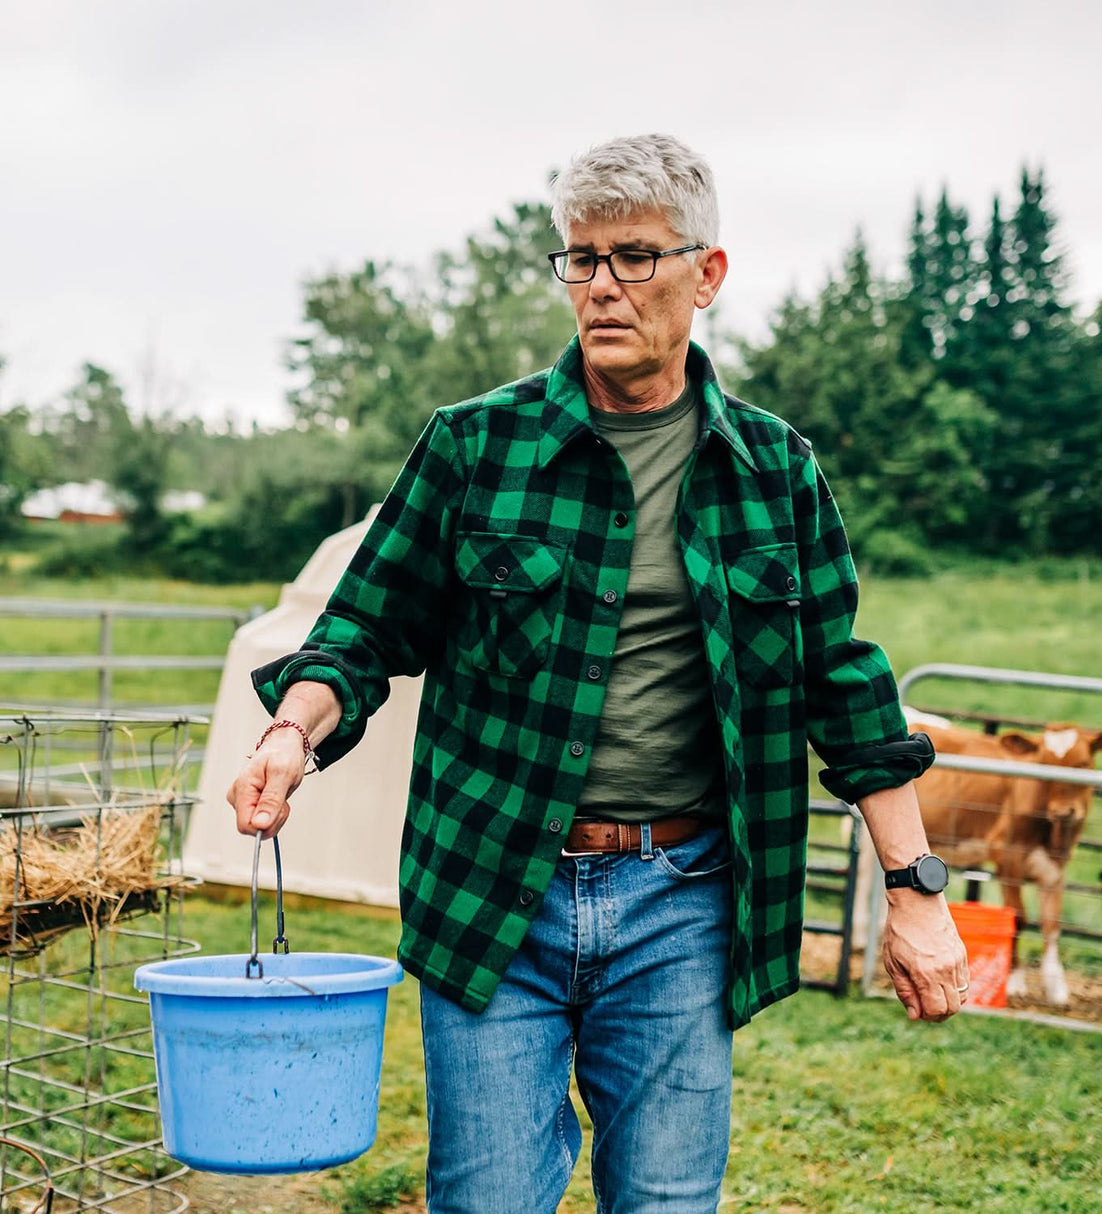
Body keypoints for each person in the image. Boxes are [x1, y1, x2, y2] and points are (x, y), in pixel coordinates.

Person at [227, 133, 969, 1214]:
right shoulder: (475, 447)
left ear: (705, 274)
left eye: (633, 257)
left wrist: (913, 891)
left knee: (666, 1201)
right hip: (493, 889)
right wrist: (291, 732)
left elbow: (843, 686)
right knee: (486, 1201)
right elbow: (362, 627)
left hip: (681, 901)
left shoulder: (772, 469)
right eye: (580, 259)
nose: (602, 287)